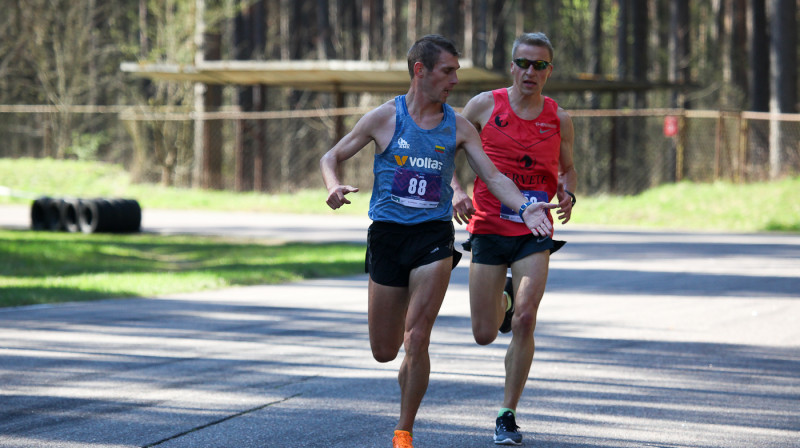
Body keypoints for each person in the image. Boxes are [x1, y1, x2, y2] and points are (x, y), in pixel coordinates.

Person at [320, 34, 556, 448]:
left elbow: (494, 176)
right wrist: (334, 185)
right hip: (388, 236)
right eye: (448, 71)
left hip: (433, 236)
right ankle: (406, 372)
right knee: (385, 349)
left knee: (418, 337)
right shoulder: (384, 118)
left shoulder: (459, 127)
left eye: (456, 71)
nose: (455, 79)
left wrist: (524, 207)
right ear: (420, 71)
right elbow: (331, 156)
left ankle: (404, 430)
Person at [450, 32, 578, 445]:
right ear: (512, 65)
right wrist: (455, 190)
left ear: (549, 72)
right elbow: (444, 151)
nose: (530, 71)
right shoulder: (484, 105)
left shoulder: (559, 118)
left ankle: (507, 413)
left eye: (539, 65)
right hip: (488, 224)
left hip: (534, 229)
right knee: (484, 333)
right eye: (523, 63)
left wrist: (568, 192)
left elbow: (568, 169)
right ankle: (501, 301)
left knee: (526, 318)